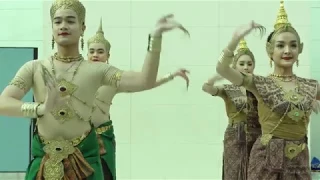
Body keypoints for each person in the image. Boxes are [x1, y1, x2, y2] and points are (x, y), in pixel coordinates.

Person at [0, 0, 189, 179]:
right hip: (44, 164)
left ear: (82, 28)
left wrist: (154, 39)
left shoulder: (98, 70)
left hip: (85, 163)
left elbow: (144, 80)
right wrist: (40, 108)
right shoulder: (34, 68)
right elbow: (3, 102)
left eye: (70, 21)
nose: (63, 26)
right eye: (57, 21)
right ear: (52, 29)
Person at [216, 1, 318, 179]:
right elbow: (222, 69)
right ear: (270, 51)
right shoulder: (259, 83)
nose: (287, 50)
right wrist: (233, 41)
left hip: (299, 163)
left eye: (293, 45)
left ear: (300, 49)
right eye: (280, 45)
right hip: (266, 163)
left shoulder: (311, 85)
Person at [87, 18, 190, 180]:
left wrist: (171, 75)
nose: (95, 55)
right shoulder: (76, 74)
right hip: (79, 139)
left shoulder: (114, 77)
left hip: (102, 138)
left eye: (100, 51)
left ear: (108, 55)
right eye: (91, 51)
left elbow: (145, 82)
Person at [202, 39, 260, 180]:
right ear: (234, 66)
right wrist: (214, 78)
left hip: (257, 135)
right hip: (236, 136)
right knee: (234, 171)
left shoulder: (259, 88)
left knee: (255, 171)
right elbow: (207, 88)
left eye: (249, 64)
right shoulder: (229, 89)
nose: (246, 67)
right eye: (241, 64)